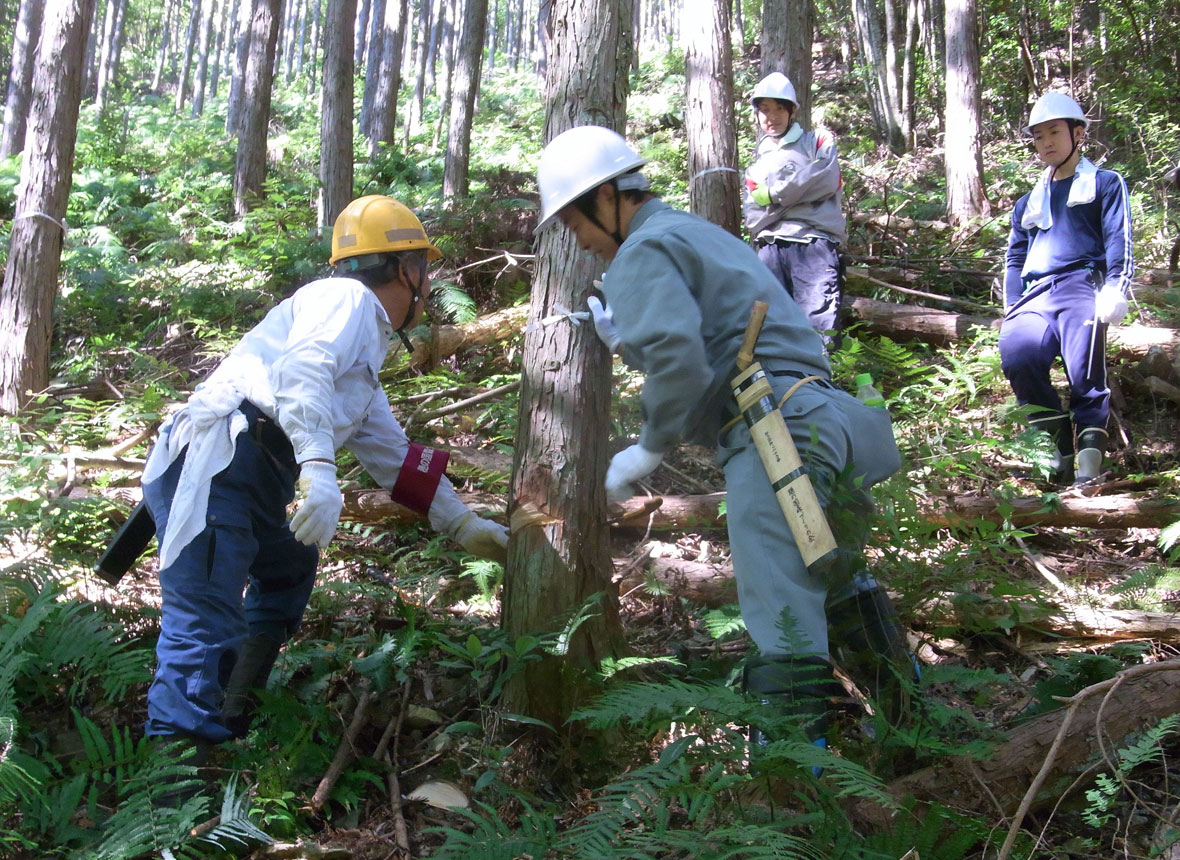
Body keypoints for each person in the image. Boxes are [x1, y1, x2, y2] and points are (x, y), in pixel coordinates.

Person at [535, 125, 909, 749]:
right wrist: (624, 338)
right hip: (821, 423)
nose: (581, 243)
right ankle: (915, 726)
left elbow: (682, 359)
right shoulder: (692, 233)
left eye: (576, 223)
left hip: (774, 441)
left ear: (606, 199)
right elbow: (720, 327)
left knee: (783, 620)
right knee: (839, 581)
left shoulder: (643, 251)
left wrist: (649, 445)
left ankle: (791, 803)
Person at [140, 195, 509, 754]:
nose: (428, 288)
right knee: (203, 626)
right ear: (408, 268)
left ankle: (235, 712)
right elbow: (302, 368)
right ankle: (175, 795)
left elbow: (393, 455)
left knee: (289, 565)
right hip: (217, 465)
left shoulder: (361, 361)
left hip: (251, 477)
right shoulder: (346, 298)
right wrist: (317, 463)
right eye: (425, 272)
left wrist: (462, 524)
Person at [1000, 92, 1134, 486]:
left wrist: (1115, 286)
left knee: (1085, 375)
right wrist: (1011, 304)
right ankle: (1057, 453)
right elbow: (1015, 255)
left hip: (1082, 285)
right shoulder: (1029, 201)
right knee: (1018, 358)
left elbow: (1118, 238)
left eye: (1055, 132)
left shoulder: (1105, 183)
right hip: (1035, 293)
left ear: (1077, 133)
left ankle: (1088, 472)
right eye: (1039, 136)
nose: (1047, 143)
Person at [742, 72, 847, 345]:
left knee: (819, 325)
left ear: (793, 111)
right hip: (768, 248)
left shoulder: (817, 141)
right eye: (764, 110)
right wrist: (802, 197)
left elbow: (826, 179)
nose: (771, 117)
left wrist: (774, 196)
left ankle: (819, 386)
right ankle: (783, 386)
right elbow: (754, 218)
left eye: (779, 109)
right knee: (770, 327)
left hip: (814, 244)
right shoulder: (755, 165)